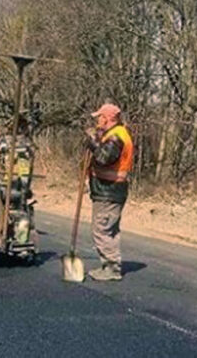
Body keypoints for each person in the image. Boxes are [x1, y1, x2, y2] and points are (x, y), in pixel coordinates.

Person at [84, 103, 134, 281]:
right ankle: (110, 265)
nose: (97, 120)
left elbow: (104, 158)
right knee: (109, 229)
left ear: (107, 118)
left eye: (100, 117)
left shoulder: (116, 137)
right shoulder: (113, 134)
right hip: (108, 190)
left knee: (102, 229)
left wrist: (92, 143)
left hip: (109, 191)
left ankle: (112, 268)